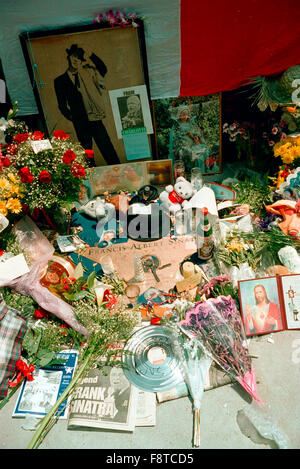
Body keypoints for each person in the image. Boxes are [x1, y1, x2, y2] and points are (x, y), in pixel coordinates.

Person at [54, 44, 120, 167]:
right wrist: (73, 117)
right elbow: (61, 105)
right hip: (80, 123)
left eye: (79, 58)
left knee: (108, 150)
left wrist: (90, 54)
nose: (75, 60)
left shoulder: (88, 73)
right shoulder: (59, 81)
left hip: (95, 118)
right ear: (68, 57)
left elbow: (103, 69)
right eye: (74, 56)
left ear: (81, 61)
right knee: (87, 156)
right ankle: (92, 180)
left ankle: (119, 174)